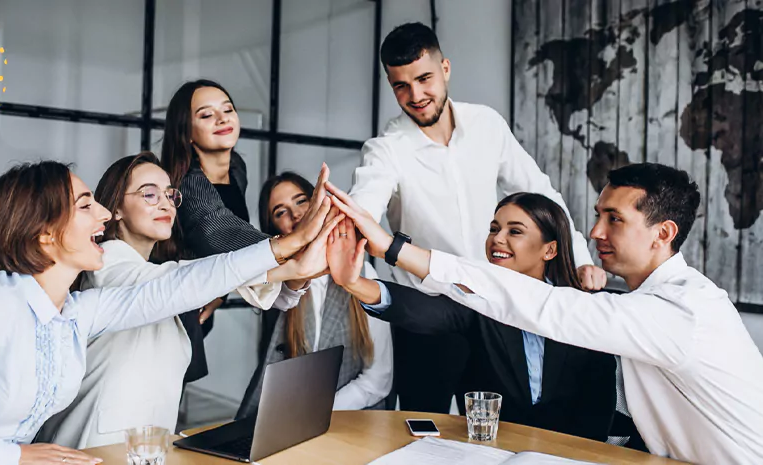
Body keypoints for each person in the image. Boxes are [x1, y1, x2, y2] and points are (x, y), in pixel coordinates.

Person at [0, 160, 339, 465]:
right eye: (87, 206)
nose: (105, 218)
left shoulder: (77, 311)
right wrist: (15, 458)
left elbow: (179, 285)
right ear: (45, 233)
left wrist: (287, 249)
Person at [327, 163, 763, 464]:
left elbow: (543, 306)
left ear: (662, 233)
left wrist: (392, 248)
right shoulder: (656, 302)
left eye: (614, 219)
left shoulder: (677, 312)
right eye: (597, 216)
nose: (594, 233)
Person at [348, 22, 606, 413]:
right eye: (401, 85)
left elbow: (542, 193)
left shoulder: (487, 124)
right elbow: (362, 208)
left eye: (424, 78)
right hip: (426, 315)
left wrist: (582, 259)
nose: (416, 95)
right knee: (422, 429)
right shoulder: (386, 150)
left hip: (491, 311)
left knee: (497, 430)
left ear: (446, 68)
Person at [36, 154, 322, 449]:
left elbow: (277, 298)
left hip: (145, 448)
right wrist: (290, 253)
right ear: (116, 208)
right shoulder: (107, 265)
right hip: (92, 448)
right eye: (149, 194)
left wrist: (298, 272)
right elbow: (181, 281)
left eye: (170, 194)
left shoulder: (162, 272)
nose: (165, 203)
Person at [329, 192, 616, 441]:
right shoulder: (480, 300)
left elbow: (598, 407)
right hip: (490, 452)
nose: (497, 239)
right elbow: (424, 311)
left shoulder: (581, 310)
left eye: (514, 231)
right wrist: (354, 283)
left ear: (549, 249)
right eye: (494, 229)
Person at [161, 79, 328, 356]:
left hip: (202, 301)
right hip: (170, 304)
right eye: (206, 114)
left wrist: (221, 291)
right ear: (186, 132)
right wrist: (298, 241)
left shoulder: (237, 168)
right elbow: (220, 232)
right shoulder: (187, 184)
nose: (221, 119)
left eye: (227, 110)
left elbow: (227, 245)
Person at [236, 173, 394, 418]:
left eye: (301, 201)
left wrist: (317, 411)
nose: (296, 215)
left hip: (351, 419)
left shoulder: (363, 274)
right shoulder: (278, 286)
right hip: (286, 415)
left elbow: (378, 379)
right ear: (274, 230)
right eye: (280, 212)